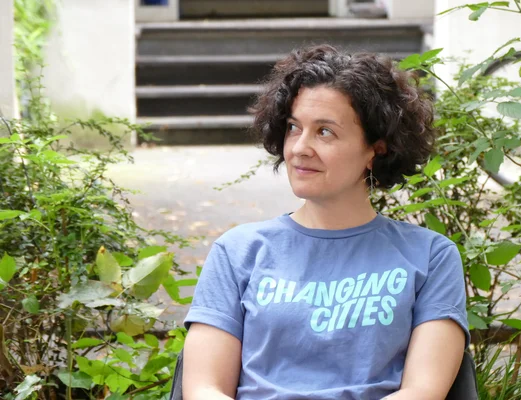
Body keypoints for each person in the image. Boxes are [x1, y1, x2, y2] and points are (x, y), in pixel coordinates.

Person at [182, 44, 470, 400]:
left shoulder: (431, 257)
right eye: (293, 127)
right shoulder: (238, 252)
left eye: (325, 132)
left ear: (376, 149)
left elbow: (423, 391)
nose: (300, 148)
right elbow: (203, 389)